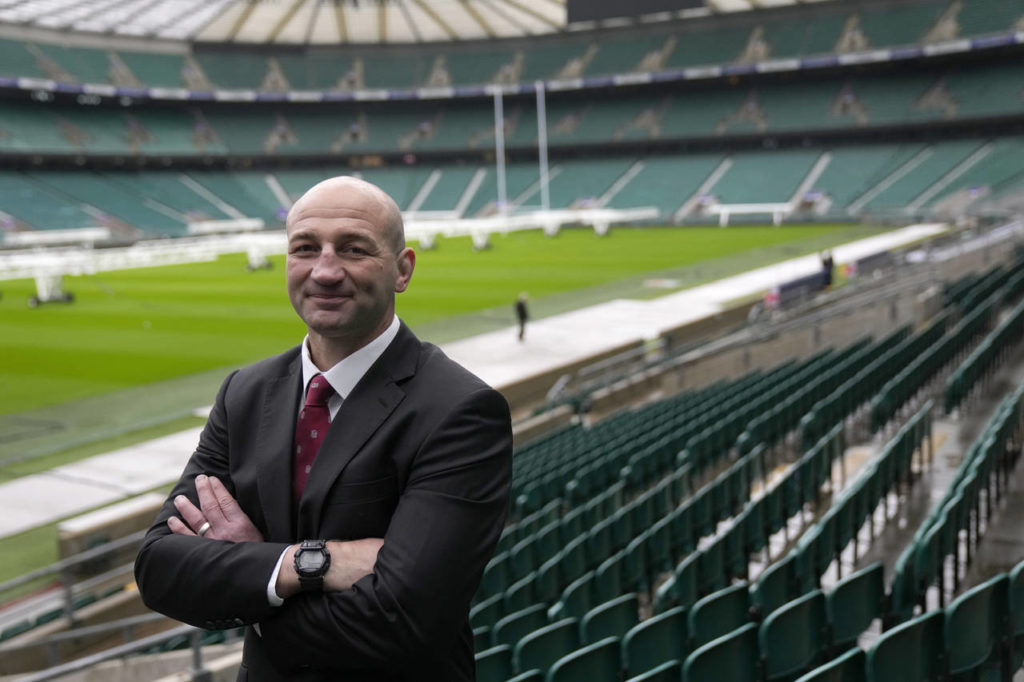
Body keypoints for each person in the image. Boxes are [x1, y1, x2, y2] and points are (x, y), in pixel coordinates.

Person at [135, 176, 514, 681]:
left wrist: (252, 587)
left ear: (403, 270)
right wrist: (307, 563)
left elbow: (402, 621)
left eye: (354, 249)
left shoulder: (460, 410)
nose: (326, 271)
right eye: (305, 248)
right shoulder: (244, 393)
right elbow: (159, 568)